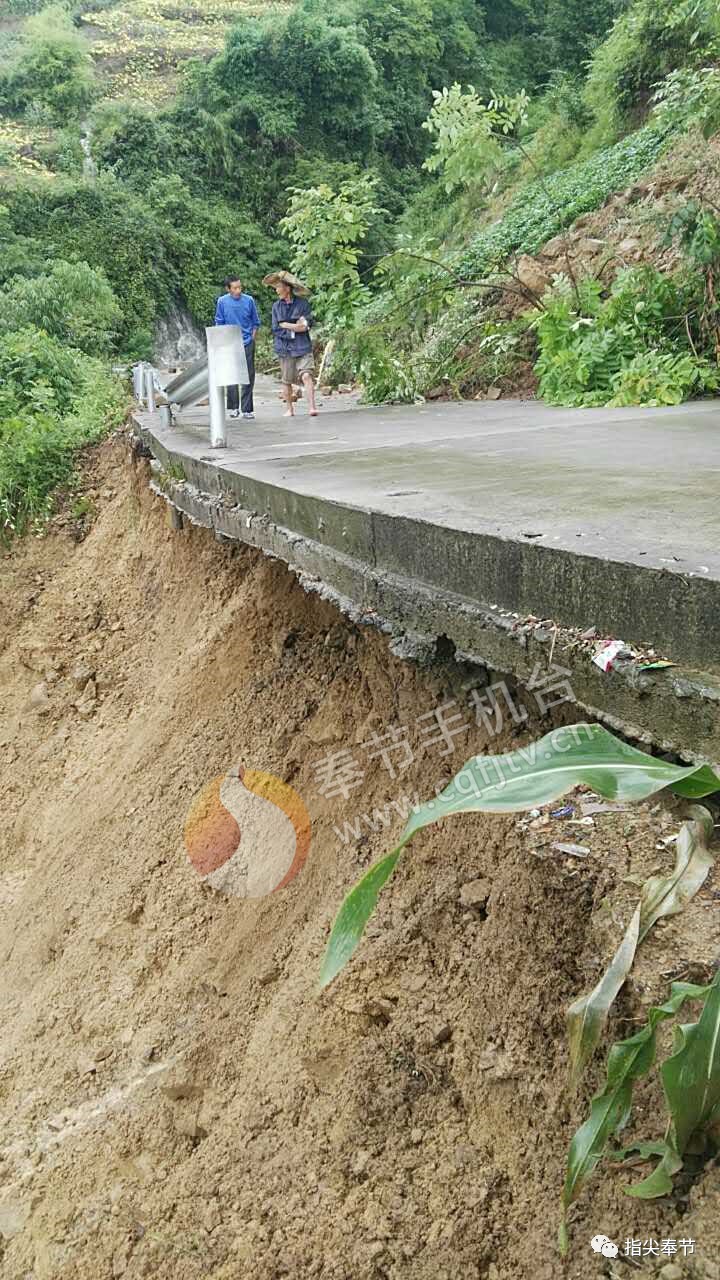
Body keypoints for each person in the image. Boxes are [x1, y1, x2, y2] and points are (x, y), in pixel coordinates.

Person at [264, 271, 318, 417]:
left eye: (278, 287)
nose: (276, 290)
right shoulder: (276, 306)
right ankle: (289, 409)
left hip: (303, 346)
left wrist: (287, 325)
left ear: (287, 288)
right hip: (285, 348)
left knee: (307, 375)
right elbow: (276, 328)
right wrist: (295, 329)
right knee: (286, 380)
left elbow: (306, 324)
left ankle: (312, 407)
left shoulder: (303, 304)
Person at [214, 276, 261, 420]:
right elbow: (219, 322)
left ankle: (247, 409)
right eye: (235, 288)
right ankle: (234, 408)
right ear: (228, 289)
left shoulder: (249, 300)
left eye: (240, 287)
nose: (238, 290)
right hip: (229, 342)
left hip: (247, 342)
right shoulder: (222, 301)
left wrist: (252, 338)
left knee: (248, 376)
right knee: (231, 376)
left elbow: (255, 322)